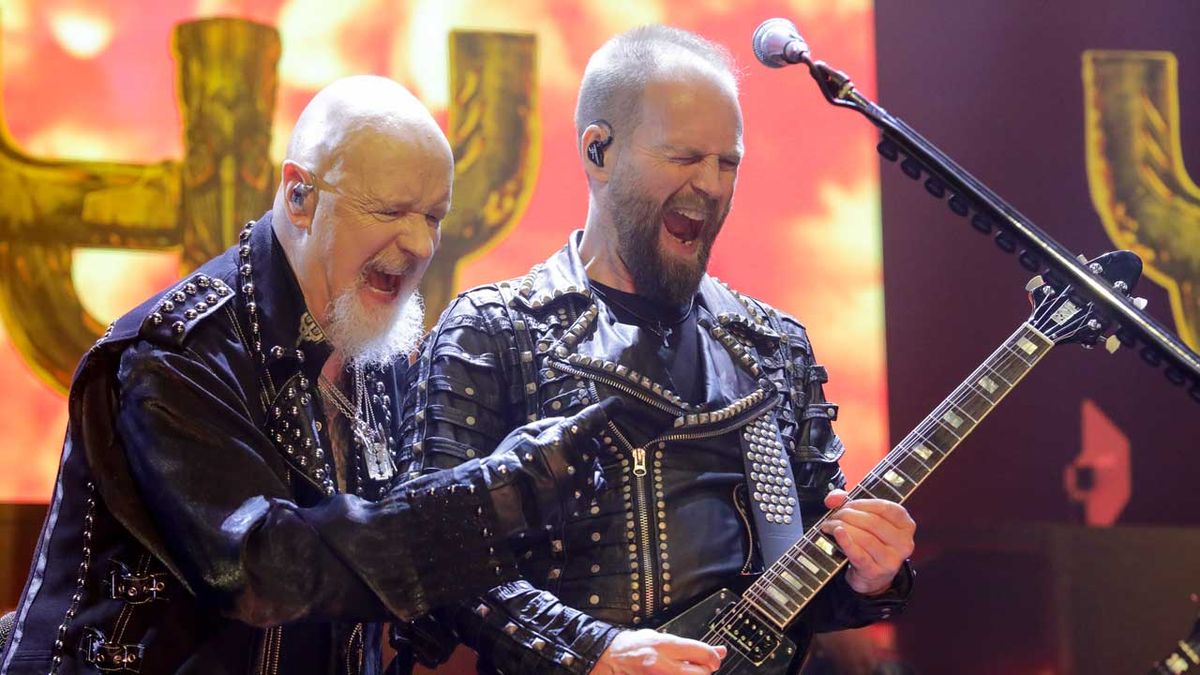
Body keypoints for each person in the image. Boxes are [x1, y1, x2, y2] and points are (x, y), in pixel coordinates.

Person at [0, 75, 617, 675]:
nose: (420, 244)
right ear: (299, 196)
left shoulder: (370, 350)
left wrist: (594, 650)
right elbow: (264, 568)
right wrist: (484, 504)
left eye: (433, 216)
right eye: (391, 210)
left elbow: (404, 555)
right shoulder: (176, 356)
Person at [395, 26, 917, 675]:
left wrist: (873, 573)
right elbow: (433, 558)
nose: (710, 184)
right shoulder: (492, 329)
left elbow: (807, 590)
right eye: (683, 157)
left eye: (728, 163)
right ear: (598, 152)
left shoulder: (773, 346)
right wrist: (596, 652)